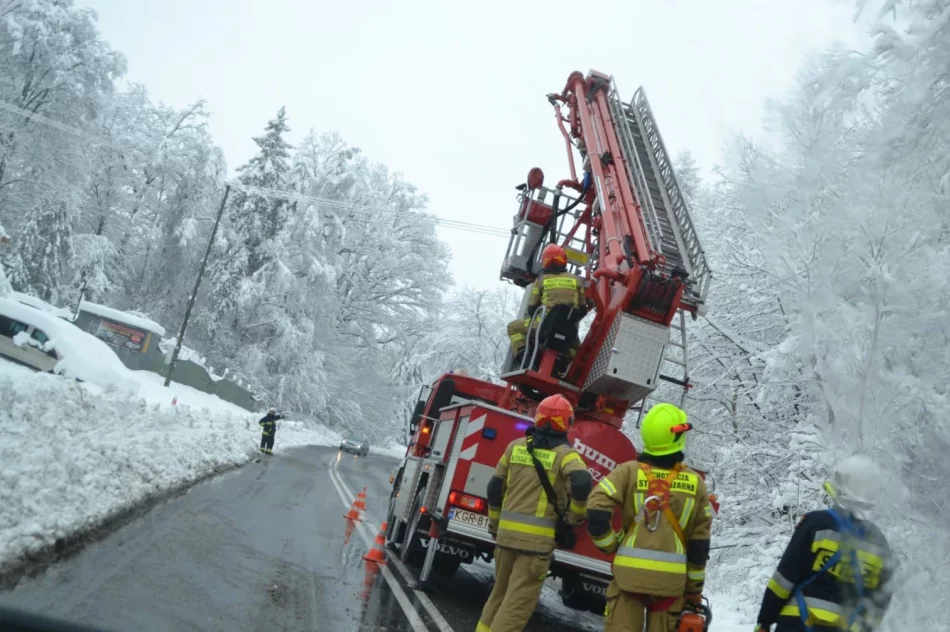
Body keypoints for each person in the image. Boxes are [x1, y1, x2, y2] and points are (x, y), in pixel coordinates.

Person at [585, 403, 713, 632]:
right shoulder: (695, 483)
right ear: (677, 437)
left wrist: (609, 546)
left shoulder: (627, 472)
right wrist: (694, 589)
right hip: (670, 586)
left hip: (628, 581)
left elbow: (596, 508)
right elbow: (699, 545)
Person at [477, 394, 593, 632]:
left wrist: (495, 525)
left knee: (497, 596)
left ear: (538, 417)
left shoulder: (515, 447)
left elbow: (494, 488)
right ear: (567, 423)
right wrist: (574, 516)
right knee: (517, 606)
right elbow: (581, 481)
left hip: (505, 538)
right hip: (535, 547)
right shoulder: (564, 454)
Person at [753, 455, 894, 632]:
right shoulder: (879, 544)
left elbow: (784, 579)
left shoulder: (815, 524)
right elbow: (880, 601)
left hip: (798, 624)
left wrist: (765, 621)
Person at [506, 243, 586, 369]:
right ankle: (563, 362)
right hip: (568, 329)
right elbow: (582, 308)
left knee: (512, 327)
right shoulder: (576, 280)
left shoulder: (541, 280)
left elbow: (532, 307)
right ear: (564, 260)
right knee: (577, 349)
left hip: (542, 326)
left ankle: (524, 357)